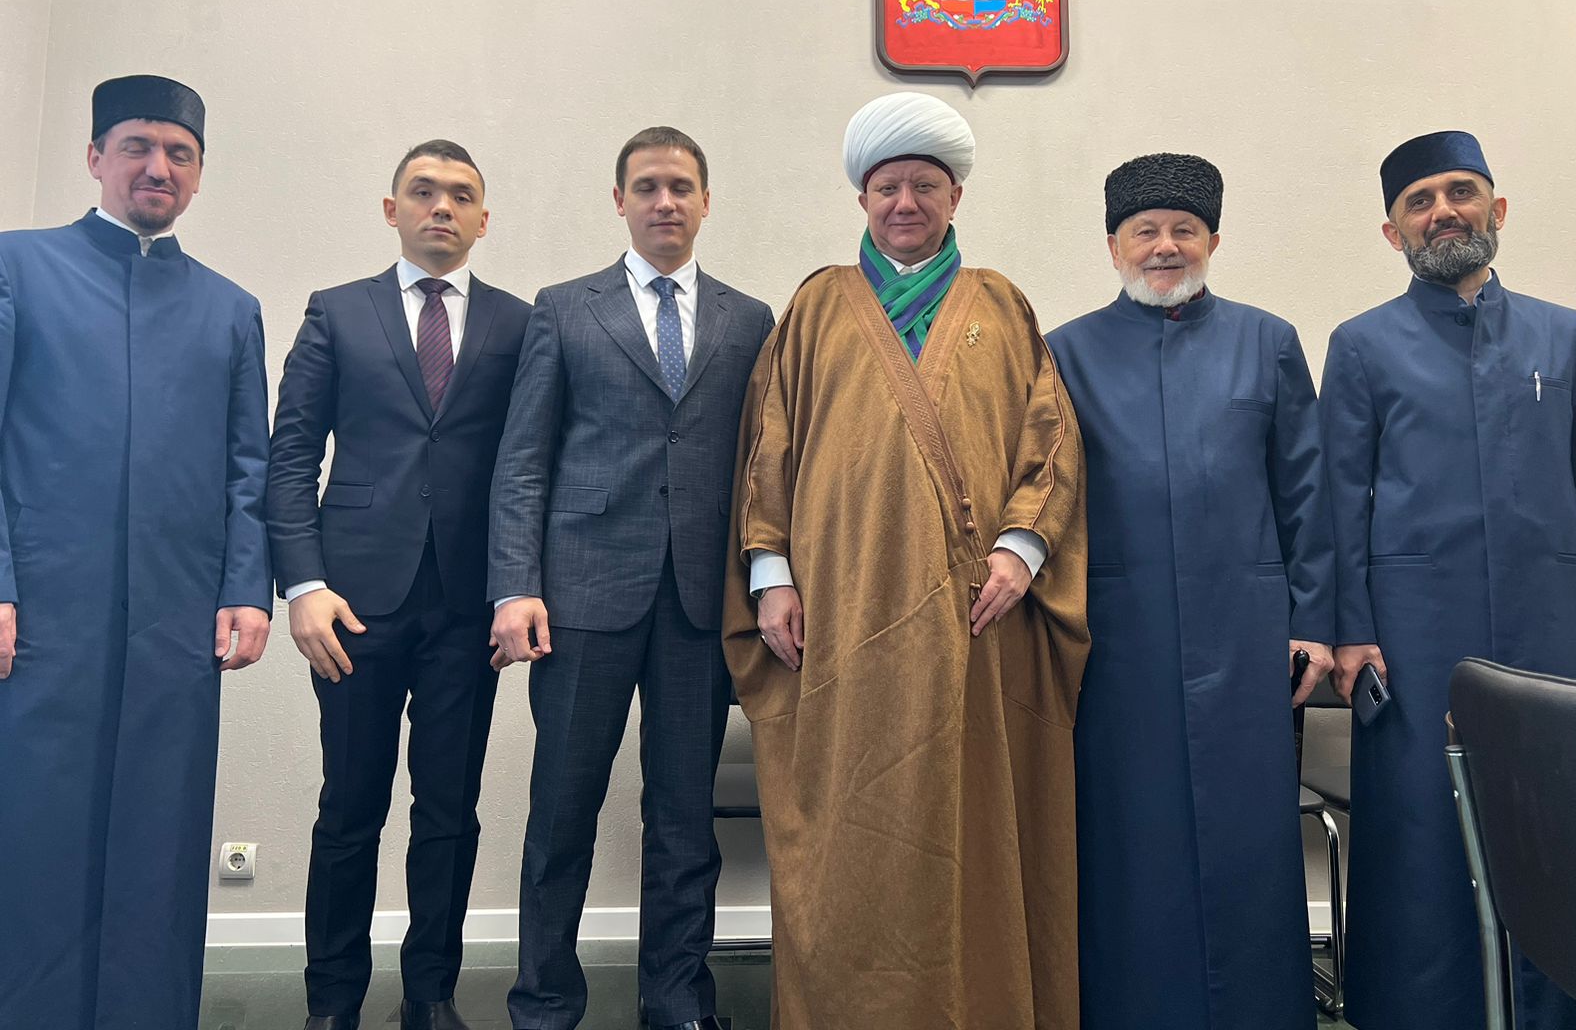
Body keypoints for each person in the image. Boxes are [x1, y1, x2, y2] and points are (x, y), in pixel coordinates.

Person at [724, 91, 1090, 1029]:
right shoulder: (816, 307)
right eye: (888, 187)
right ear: (862, 198)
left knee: (972, 810)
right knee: (846, 818)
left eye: (925, 185)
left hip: (976, 616)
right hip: (838, 611)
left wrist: (1021, 550)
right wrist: (771, 576)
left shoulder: (1002, 305)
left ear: (955, 196)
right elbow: (769, 445)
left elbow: (1051, 443)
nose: (905, 203)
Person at [0, 74, 272, 1030]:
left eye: (179, 153)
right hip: (46, 612)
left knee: (162, 830)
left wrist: (248, 588)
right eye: (137, 147)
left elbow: (248, 465)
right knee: (36, 823)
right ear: (95, 158)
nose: (158, 167)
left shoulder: (231, 309)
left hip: (176, 615)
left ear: (198, 173)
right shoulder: (17, 267)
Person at [487, 126, 772, 1030]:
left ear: (706, 201)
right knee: (561, 816)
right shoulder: (564, 309)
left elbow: (762, 468)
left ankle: (678, 1001)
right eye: (647, 186)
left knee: (685, 821)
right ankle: (544, 1003)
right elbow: (522, 461)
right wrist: (515, 586)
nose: (665, 201)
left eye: (681, 186)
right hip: (580, 598)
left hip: (699, 603)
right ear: (620, 200)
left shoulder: (750, 321)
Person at [1044, 152, 1335, 1029]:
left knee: (1248, 836)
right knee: (1130, 838)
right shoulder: (1064, 352)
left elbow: (1306, 491)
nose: (1165, 247)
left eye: (1184, 230)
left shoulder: (1267, 340)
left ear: (1213, 240)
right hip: (1116, 640)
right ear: (1114, 247)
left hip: (1247, 637)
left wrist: (1314, 623)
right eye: (1146, 232)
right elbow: (1047, 499)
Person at [1321, 130, 1576, 1030]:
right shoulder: (1361, 346)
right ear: (1393, 232)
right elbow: (1340, 501)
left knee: (1559, 823)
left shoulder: (1568, 335)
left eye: (1460, 191)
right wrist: (1351, 629)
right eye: (1419, 201)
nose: (1443, 211)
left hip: (1550, 629)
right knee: (1422, 831)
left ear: (1496, 208)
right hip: (1412, 636)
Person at [268, 140, 532, 1030]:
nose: (441, 207)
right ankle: (332, 1001)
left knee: (449, 813)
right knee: (350, 808)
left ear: (484, 219)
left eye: (460, 195)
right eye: (423, 192)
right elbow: (291, 456)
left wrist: (515, 587)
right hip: (351, 605)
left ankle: (431, 995)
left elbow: (528, 464)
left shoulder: (519, 323)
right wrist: (302, 585)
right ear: (392, 210)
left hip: (466, 606)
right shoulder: (337, 312)